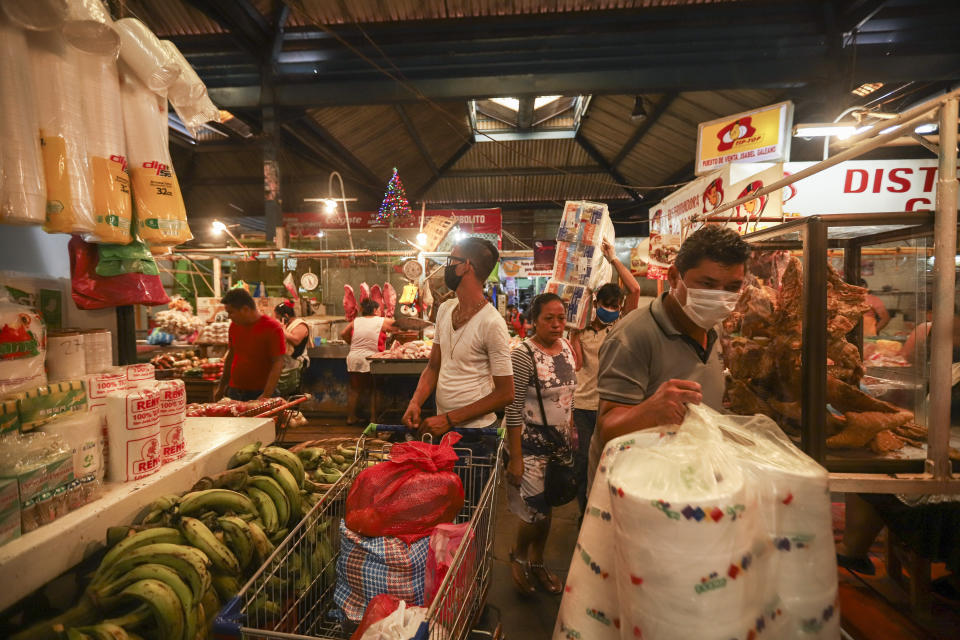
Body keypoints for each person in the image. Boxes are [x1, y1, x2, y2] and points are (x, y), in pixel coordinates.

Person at [588, 225, 751, 488]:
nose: (719, 298)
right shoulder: (632, 336)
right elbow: (607, 429)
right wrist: (650, 411)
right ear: (674, 277)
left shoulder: (714, 329)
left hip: (695, 481)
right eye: (707, 284)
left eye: (732, 287)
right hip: (640, 490)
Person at [402, 237, 514, 474]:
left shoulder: (492, 323)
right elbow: (433, 366)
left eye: (451, 259)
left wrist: (449, 419)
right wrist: (415, 402)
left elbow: (506, 393)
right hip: (444, 432)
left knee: (471, 508)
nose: (447, 266)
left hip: (477, 436)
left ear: (466, 266)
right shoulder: (445, 309)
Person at [505, 293, 577, 595]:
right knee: (533, 510)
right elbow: (512, 406)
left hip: (560, 444)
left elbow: (569, 394)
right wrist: (516, 458)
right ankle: (518, 557)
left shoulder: (568, 347)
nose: (557, 324)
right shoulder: (523, 354)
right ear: (534, 320)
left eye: (561, 317)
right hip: (530, 444)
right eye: (549, 318)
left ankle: (537, 561)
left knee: (548, 509)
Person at [568, 239, 644, 516]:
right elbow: (576, 366)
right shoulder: (582, 330)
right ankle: (584, 513)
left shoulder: (622, 326)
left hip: (612, 405)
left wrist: (612, 258)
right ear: (596, 303)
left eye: (616, 305)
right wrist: (573, 334)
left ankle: (608, 510)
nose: (611, 309)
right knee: (583, 463)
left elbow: (634, 288)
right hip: (584, 406)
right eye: (606, 304)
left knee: (612, 460)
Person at [216, 288, 286, 401]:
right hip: (235, 391)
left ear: (245, 309)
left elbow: (278, 362)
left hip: (260, 392)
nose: (229, 317)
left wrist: (266, 395)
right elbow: (231, 356)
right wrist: (221, 387)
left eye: (231, 312)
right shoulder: (234, 327)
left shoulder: (272, 328)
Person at [341, 299, 396, 425]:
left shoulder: (356, 321)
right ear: (376, 310)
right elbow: (400, 327)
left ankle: (351, 418)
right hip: (372, 359)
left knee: (354, 389)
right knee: (375, 389)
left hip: (354, 358)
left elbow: (343, 333)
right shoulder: (381, 320)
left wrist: (352, 344)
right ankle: (373, 419)